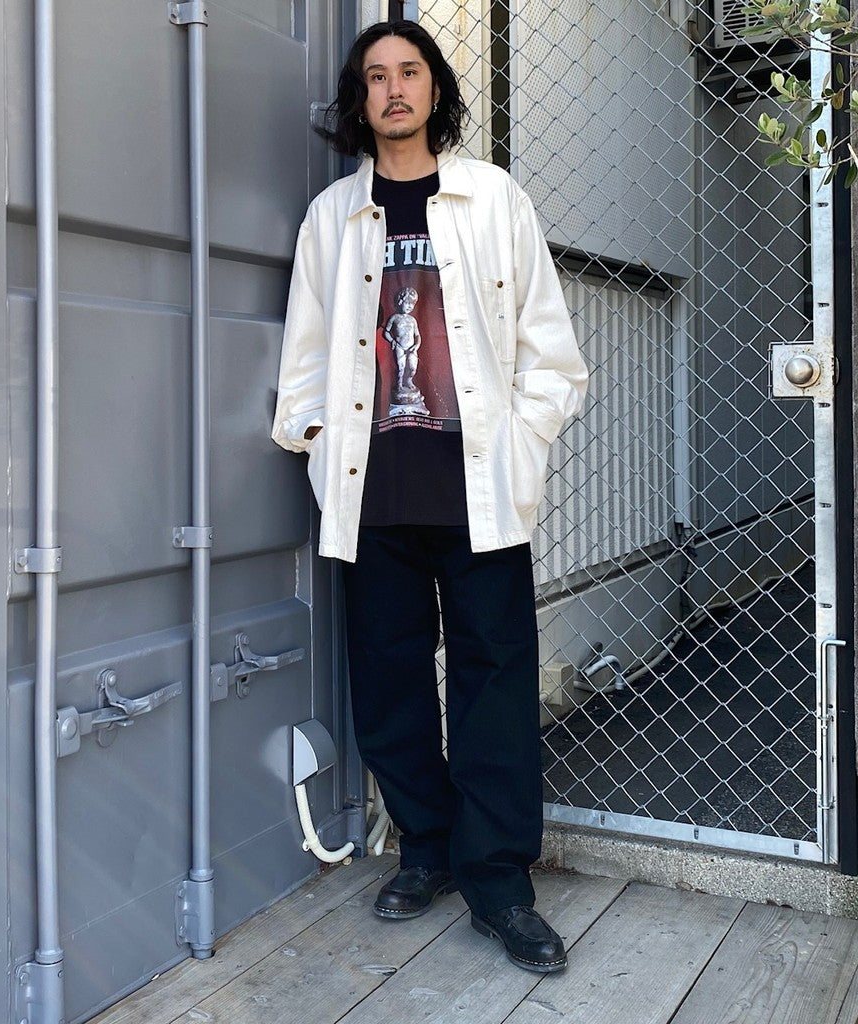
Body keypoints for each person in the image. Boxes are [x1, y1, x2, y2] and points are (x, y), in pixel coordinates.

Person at [271, 19, 588, 974]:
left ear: (435, 89)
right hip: (372, 494)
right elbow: (303, 359)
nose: (394, 89)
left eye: (409, 72)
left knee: (495, 685)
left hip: (479, 490)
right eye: (376, 76)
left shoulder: (492, 198)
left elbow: (550, 350)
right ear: (360, 99)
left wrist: (524, 440)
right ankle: (427, 849)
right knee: (390, 681)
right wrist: (317, 439)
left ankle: (500, 883)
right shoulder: (333, 217)